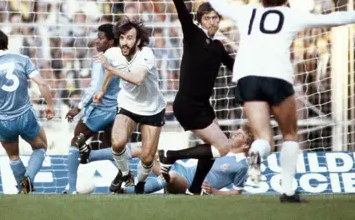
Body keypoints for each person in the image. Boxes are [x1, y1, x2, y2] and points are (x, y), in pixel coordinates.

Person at [205, 0, 355, 203]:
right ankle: (287, 190)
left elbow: (220, 4)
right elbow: (331, 19)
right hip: (277, 76)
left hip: (248, 77)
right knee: (290, 134)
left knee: (263, 137)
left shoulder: (246, 13)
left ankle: (255, 155)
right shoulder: (292, 15)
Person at [158, 0, 235, 195]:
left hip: (203, 105)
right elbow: (182, 13)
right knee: (223, 147)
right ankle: (171, 155)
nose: (212, 21)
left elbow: (234, 66)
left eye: (215, 18)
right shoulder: (193, 35)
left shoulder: (218, 46)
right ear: (200, 20)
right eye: (208, 17)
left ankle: (194, 189)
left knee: (214, 147)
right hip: (188, 104)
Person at [93, 17, 166, 194]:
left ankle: (140, 184)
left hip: (152, 108)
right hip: (127, 105)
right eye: (123, 38)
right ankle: (126, 174)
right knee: (117, 143)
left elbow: (138, 79)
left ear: (138, 40)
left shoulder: (146, 53)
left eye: (130, 38)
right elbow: (111, 71)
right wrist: (102, 89)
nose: (125, 42)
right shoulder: (113, 53)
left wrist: (110, 68)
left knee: (147, 158)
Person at [0, 28, 55, 193]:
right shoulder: (22, 59)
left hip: (3, 120)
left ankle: (23, 188)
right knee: (40, 147)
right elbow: (42, 84)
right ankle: (29, 178)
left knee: (13, 156)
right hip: (25, 115)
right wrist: (50, 107)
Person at [80, 125, 253, 195]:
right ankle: (89, 156)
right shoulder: (219, 146)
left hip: (191, 183)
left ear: (246, 145)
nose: (233, 134)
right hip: (183, 167)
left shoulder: (241, 164)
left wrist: (214, 191)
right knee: (142, 148)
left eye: (239, 134)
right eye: (236, 131)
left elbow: (236, 192)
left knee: (173, 176)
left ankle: (124, 191)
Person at [64, 24, 121, 194]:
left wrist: (79, 107)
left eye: (102, 37)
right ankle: (126, 176)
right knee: (110, 146)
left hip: (99, 110)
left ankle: (72, 189)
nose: (97, 40)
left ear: (111, 41)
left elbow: (95, 89)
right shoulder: (119, 56)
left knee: (76, 142)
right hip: (116, 109)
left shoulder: (103, 58)